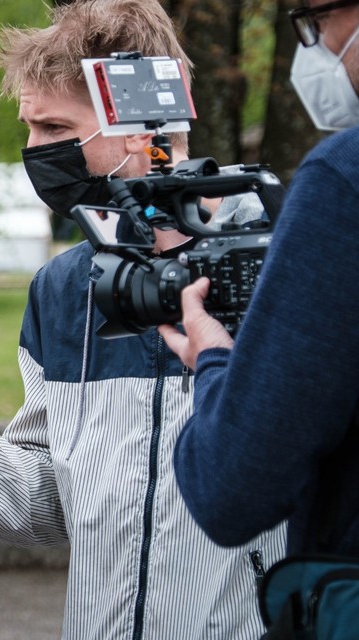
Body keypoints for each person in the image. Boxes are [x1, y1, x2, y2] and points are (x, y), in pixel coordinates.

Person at [0, 1, 286, 638]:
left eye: (53, 129)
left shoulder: (292, 268)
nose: (33, 152)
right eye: (28, 128)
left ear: (142, 127)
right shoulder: (63, 287)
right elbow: (53, 502)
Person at [160, 0, 359, 557]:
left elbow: (232, 490)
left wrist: (215, 360)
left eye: (317, 20)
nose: (315, 47)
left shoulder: (343, 178)